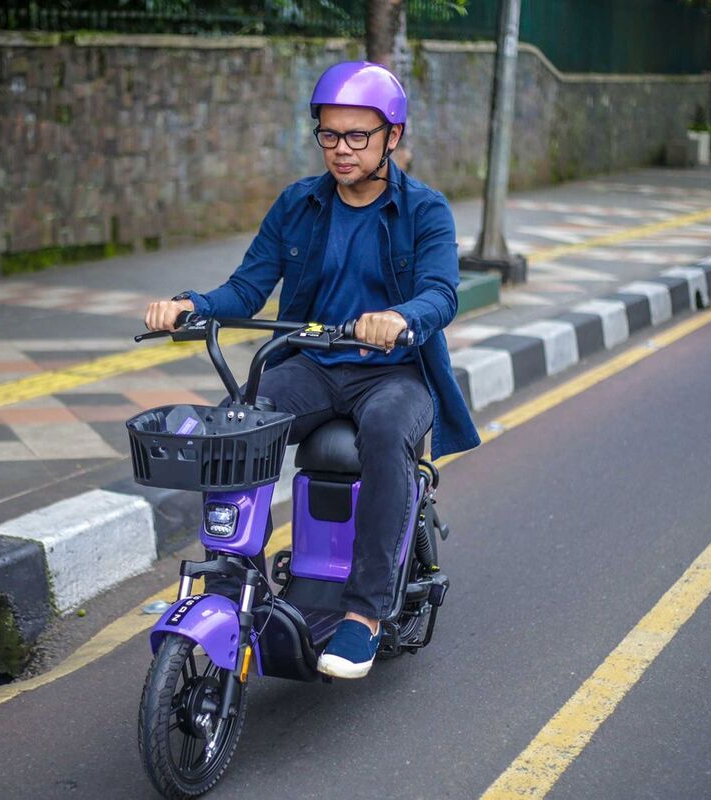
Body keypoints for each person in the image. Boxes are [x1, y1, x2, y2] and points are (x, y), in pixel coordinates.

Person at [143, 62, 479, 679]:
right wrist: (192, 306)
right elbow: (247, 287)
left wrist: (399, 318)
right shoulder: (299, 203)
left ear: (391, 137)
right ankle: (231, 575)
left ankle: (364, 616)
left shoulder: (425, 211)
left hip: (395, 372)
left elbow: (441, 293)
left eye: (357, 136)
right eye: (329, 135)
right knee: (240, 425)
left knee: (383, 434)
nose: (342, 150)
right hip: (313, 365)